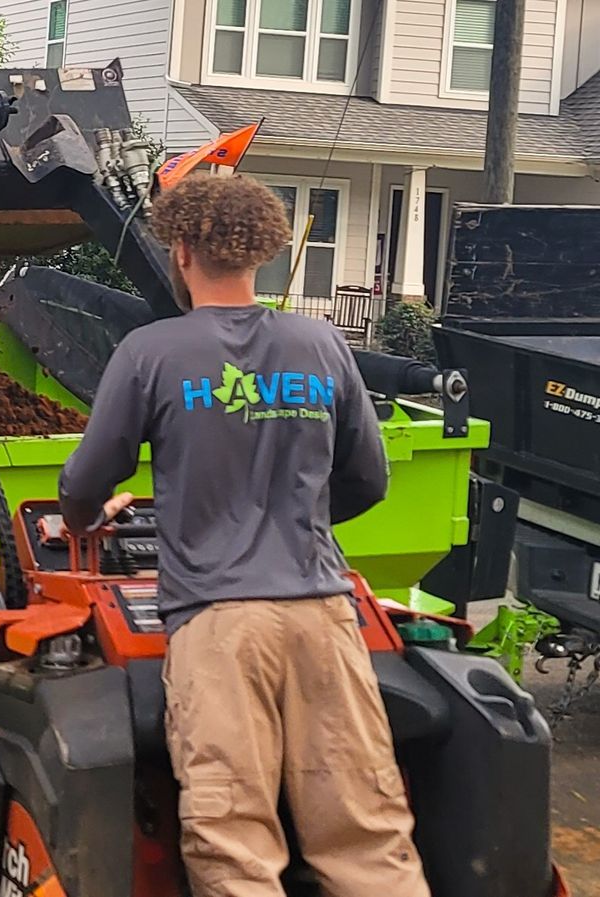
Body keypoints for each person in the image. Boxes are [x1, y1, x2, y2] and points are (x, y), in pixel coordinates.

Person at [57, 173, 422, 897]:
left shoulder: (150, 353)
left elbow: (83, 481)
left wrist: (86, 519)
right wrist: (297, 517)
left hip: (218, 626)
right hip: (324, 614)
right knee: (367, 835)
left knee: (235, 846)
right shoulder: (320, 345)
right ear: (263, 251)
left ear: (182, 250)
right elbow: (368, 480)